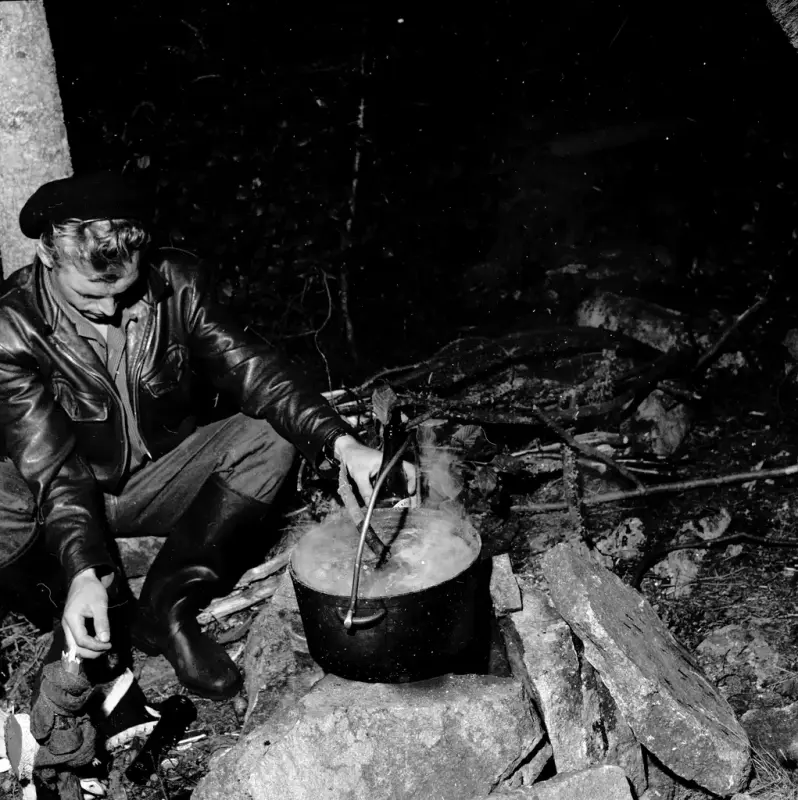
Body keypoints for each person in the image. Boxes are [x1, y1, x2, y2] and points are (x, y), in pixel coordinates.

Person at [0, 170, 414, 700]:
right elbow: (54, 467)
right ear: (47, 256)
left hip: (164, 477)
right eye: (88, 296)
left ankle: (166, 610)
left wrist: (341, 442)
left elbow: (255, 371)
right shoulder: (13, 324)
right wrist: (84, 571)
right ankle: (85, 612)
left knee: (269, 436)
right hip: (73, 493)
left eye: (121, 292)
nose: (108, 310)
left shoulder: (179, 282)